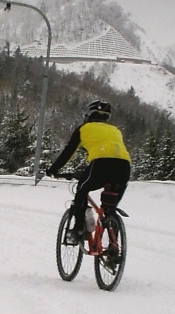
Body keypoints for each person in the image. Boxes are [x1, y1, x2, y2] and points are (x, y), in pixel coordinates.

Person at [46, 100, 131, 245]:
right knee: (109, 207)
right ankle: (113, 245)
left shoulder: (84, 129)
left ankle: (78, 230)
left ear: (88, 116)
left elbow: (69, 152)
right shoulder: (116, 130)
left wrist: (53, 170)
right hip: (124, 166)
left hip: (101, 164)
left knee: (82, 190)